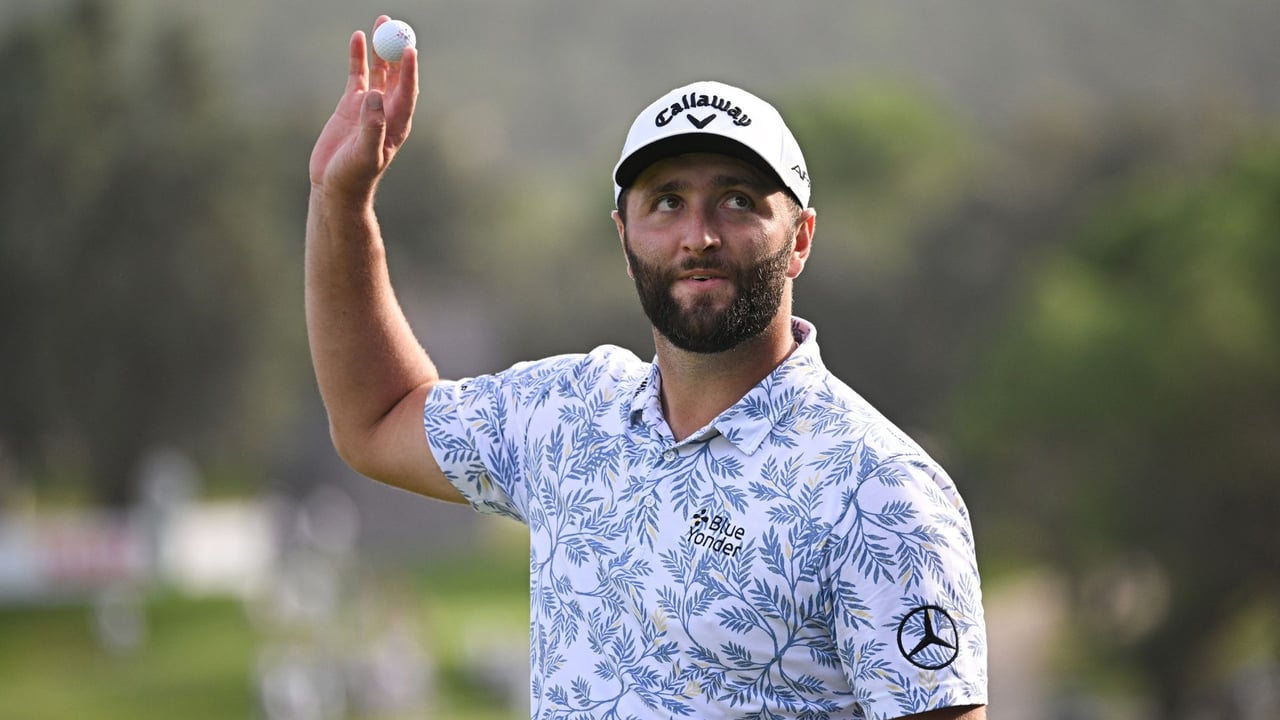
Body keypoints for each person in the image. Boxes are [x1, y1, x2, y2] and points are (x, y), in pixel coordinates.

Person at [306, 16, 988, 720]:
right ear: (624, 237)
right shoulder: (566, 416)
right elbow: (376, 418)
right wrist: (341, 203)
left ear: (800, 239)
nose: (699, 236)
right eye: (667, 202)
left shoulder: (881, 494)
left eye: (738, 200)